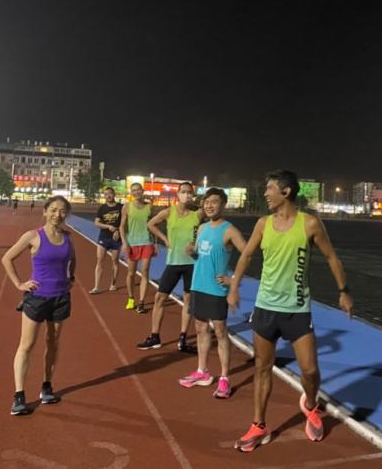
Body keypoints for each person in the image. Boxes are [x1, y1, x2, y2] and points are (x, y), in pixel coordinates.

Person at [227, 170, 353, 452]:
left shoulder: (310, 224)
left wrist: (344, 291)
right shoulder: (263, 223)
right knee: (262, 368)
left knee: (310, 370)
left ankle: (311, 405)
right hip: (265, 308)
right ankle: (259, 426)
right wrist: (234, 287)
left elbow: (332, 257)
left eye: (269, 188)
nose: (265, 194)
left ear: (285, 192)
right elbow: (246, 255)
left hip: (297, 309)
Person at [2, 195, 76, 416]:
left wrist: (71, 277)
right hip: (37, 298)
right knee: (27, 345)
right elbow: (7, 258)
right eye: (53, 210)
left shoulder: (67, 238)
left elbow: (72, 259)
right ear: (45, 212)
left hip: (60, 298)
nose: (57, 214)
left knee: (53, 343)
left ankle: (46, 387)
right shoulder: (33, 236)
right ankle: (19, 396)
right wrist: (19, 284)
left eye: (62, 211)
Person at [179, 188, 247, 399]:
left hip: (216, 289)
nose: (209, 205)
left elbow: (248, 254)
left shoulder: (230, 230)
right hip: (198, 285)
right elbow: (201, 256)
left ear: (223, 205)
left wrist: (234, 280)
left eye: (214, 202)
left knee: (220, 331)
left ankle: (225, 377)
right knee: (200, 328)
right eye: (206, 202)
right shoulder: (202, 228)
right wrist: (192, 253)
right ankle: (203, 371)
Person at [137, 182, 201, 352]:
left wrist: (197, 244)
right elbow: (151, 224)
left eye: (189, 192)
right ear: (178, 194)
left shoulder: (197, 214)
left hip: (192, 263)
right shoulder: (169, 212)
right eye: (183, 192)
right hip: (173, 263)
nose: (186, 195)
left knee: (188, 301)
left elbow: (209, 227)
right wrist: (165, 239)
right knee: (160, 298)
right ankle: (155, 336)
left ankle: (183, 339)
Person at [120, 182, 156, 312]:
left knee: (145, 271)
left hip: (147, 242)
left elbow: (153, 226)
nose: (136, 192)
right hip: (132, 243)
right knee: (131, 273)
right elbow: (122, 226)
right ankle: (131, 298)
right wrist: (124, 242)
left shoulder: (149, 207)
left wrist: (155, 243)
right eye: (133, 190)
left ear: (142, 190)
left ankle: (141, 302)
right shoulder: (127, 207)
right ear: (131, 192)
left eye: (138, 190)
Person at [90, 187, 123, 294]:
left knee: (115, 261)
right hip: (104, 237)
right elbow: (96, 223)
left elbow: (124, 223)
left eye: (110, 193)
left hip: (116, 239)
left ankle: (113, 284)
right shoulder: (102, 208)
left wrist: (118, 230)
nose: (108, 196)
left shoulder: (121, 207)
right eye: (106, 194)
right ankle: (96, 287)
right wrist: (108, 226)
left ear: (114, 194)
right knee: (100, 261)